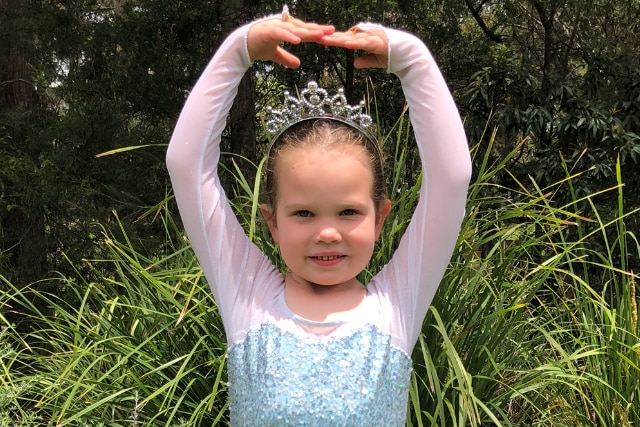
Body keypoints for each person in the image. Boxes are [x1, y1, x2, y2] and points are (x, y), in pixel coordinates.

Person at [166, 6, 472, 426]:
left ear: (380, 218)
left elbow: (451, 180)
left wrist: (413, 60)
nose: (327, 232)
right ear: (272, 222)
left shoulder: (395, 308)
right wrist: (237, 52)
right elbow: (186, 165)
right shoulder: (250, 299)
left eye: (348, 212)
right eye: (304, 213)